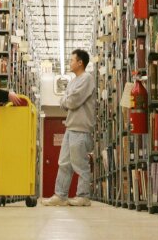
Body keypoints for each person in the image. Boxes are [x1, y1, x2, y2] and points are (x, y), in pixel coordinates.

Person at [42, 49, 96, 207]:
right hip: (70, 127)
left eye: (72, 60)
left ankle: (83, 196)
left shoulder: (87, 79)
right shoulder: (72, 81)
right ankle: (60, 195)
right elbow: (64, 101)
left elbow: (71, 101)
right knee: (64, 162)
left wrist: (66, 100)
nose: (69, 63)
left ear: (80, 62)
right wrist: (66, 100)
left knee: (80, 163)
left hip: (81, 128)